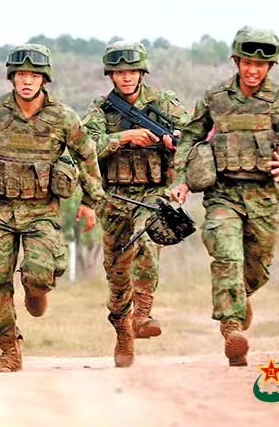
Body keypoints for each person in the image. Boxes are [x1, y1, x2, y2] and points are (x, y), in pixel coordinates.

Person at [169, 27, 279, 366]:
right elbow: (189, 137)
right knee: (227, 256)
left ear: (270, 67)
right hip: (222, 194)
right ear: (236, 61)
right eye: (247, 63)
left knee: (258, 268)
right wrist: (181, 180)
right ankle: (232, 330)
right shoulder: (215, 98)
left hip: (263, 196)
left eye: (261, 65)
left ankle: (240, 297)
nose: (253, 70)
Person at [0, 44, 105, 373]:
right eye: (20, 75)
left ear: (44, 79)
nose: (27, 81)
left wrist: (90, 203)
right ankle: (9, 349)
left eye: (33, 76)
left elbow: (87, 158)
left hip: (42, 212)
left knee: (40, 274)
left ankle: (36, 291)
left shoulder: (63, 117)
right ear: (12, 78)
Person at [82, 41, 189, 367]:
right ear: (111, 75)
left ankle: (143, 313)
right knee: (117, 274)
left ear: (142, 73)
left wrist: (175, 146)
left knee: (147, 235)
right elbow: (84, 146)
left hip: (154, 193)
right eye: (119, 73)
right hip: (115, 199)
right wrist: (125, 138)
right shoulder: (102, 109)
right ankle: (123, 331)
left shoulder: (163, 103)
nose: (126, 77)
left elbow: (194, 136)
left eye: (132, 71)